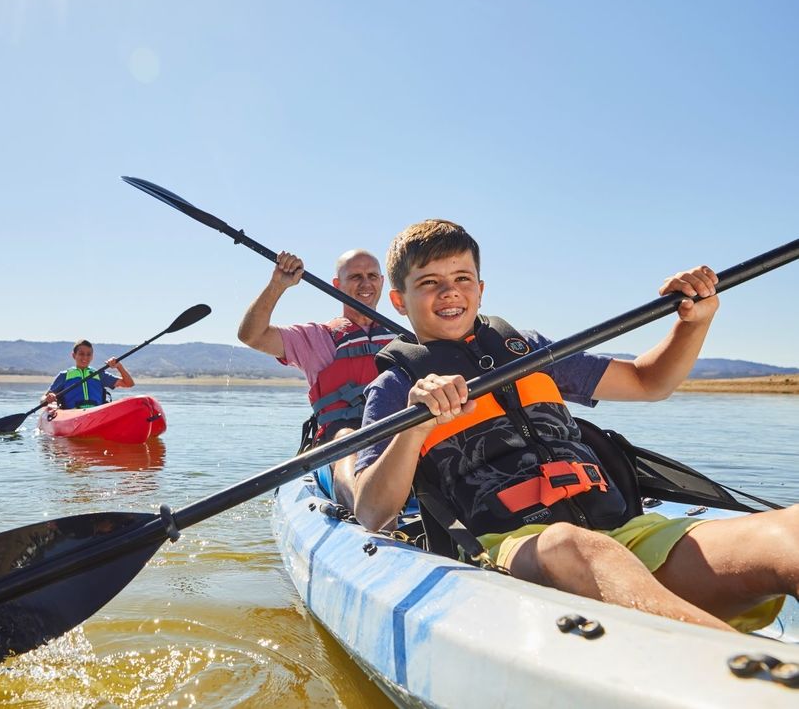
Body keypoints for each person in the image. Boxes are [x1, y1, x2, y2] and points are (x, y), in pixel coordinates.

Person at [353, 219, 797, 633]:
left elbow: (649, 381)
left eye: (462, 279)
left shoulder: (527, 349)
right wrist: (411, 428)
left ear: (481, 289)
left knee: (789, 528)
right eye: (430, 283)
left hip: (623, 534)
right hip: (513, 549)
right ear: (398, 300)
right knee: (571, 543)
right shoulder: (395, 388)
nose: (450, 293)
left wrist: (693, 323)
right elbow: (373, 514)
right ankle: (732, 662)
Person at [238, 249, 397, 510]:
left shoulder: (401, 340)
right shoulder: (316, 337)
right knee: (348, 436)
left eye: (371, 276)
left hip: (395, 437)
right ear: (337, 285)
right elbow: (251, 335)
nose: (365, 284)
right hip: (339, 443)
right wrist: (278, 285)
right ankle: (365, 506)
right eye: (355, 277)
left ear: (381, 281)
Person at [43, 339, 135, 409]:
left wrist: (119, 366)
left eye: (88, 354)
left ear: (92, 356)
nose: (85, 357)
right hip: (73, 414)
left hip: (96, 413)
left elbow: (129, 383)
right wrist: (48, 398)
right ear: (74, 355)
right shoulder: (64, 375)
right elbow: (43, 399)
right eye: (81, 354)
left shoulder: (99, 374)